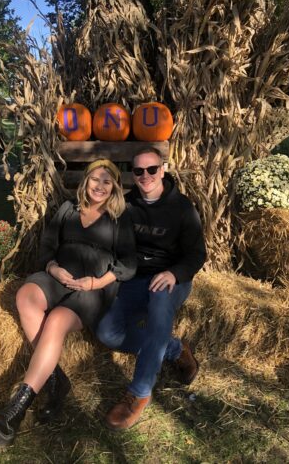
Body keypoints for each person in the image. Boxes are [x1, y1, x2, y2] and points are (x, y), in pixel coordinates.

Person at [0, 159, 136, 447]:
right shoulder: (67, 209)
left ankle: (15, 411)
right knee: (24, 296)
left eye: (107, 181)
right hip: (58, 276)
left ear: (114, 188)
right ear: (85, 181)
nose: (99, 187)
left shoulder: (119, 218)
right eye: (94, 179)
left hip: (91, 288)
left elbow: (128, 264)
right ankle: (55, 379)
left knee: (57, 321)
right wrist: (53, 268)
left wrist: (95, 283)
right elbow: (47, 247)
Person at [96, 146, 207, 430]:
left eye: (152, 169)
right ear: (133, 175)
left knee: (159, 304)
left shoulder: (182, 207)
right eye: (138, 171)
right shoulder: (127, 205)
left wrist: (174, 273)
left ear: (163, 170)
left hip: (170, 279)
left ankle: (139, 393)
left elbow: (197, 255)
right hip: (134, 278)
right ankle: (173, 349)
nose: (145, 175)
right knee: (107, 333)